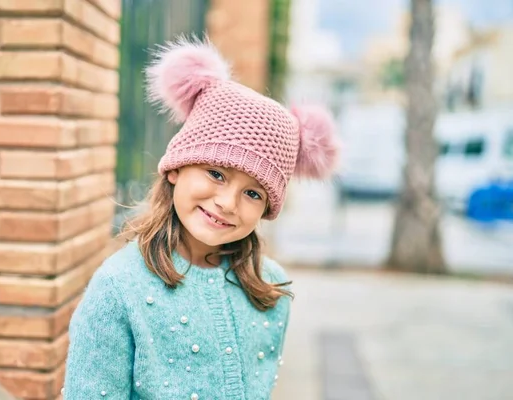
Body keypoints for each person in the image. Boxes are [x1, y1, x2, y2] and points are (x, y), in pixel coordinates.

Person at [62, 37, 340, 399]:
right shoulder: (118, 288)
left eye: (253, 193)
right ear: (177, 167)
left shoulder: (271, 289)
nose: (227, 203)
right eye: (216, 173)